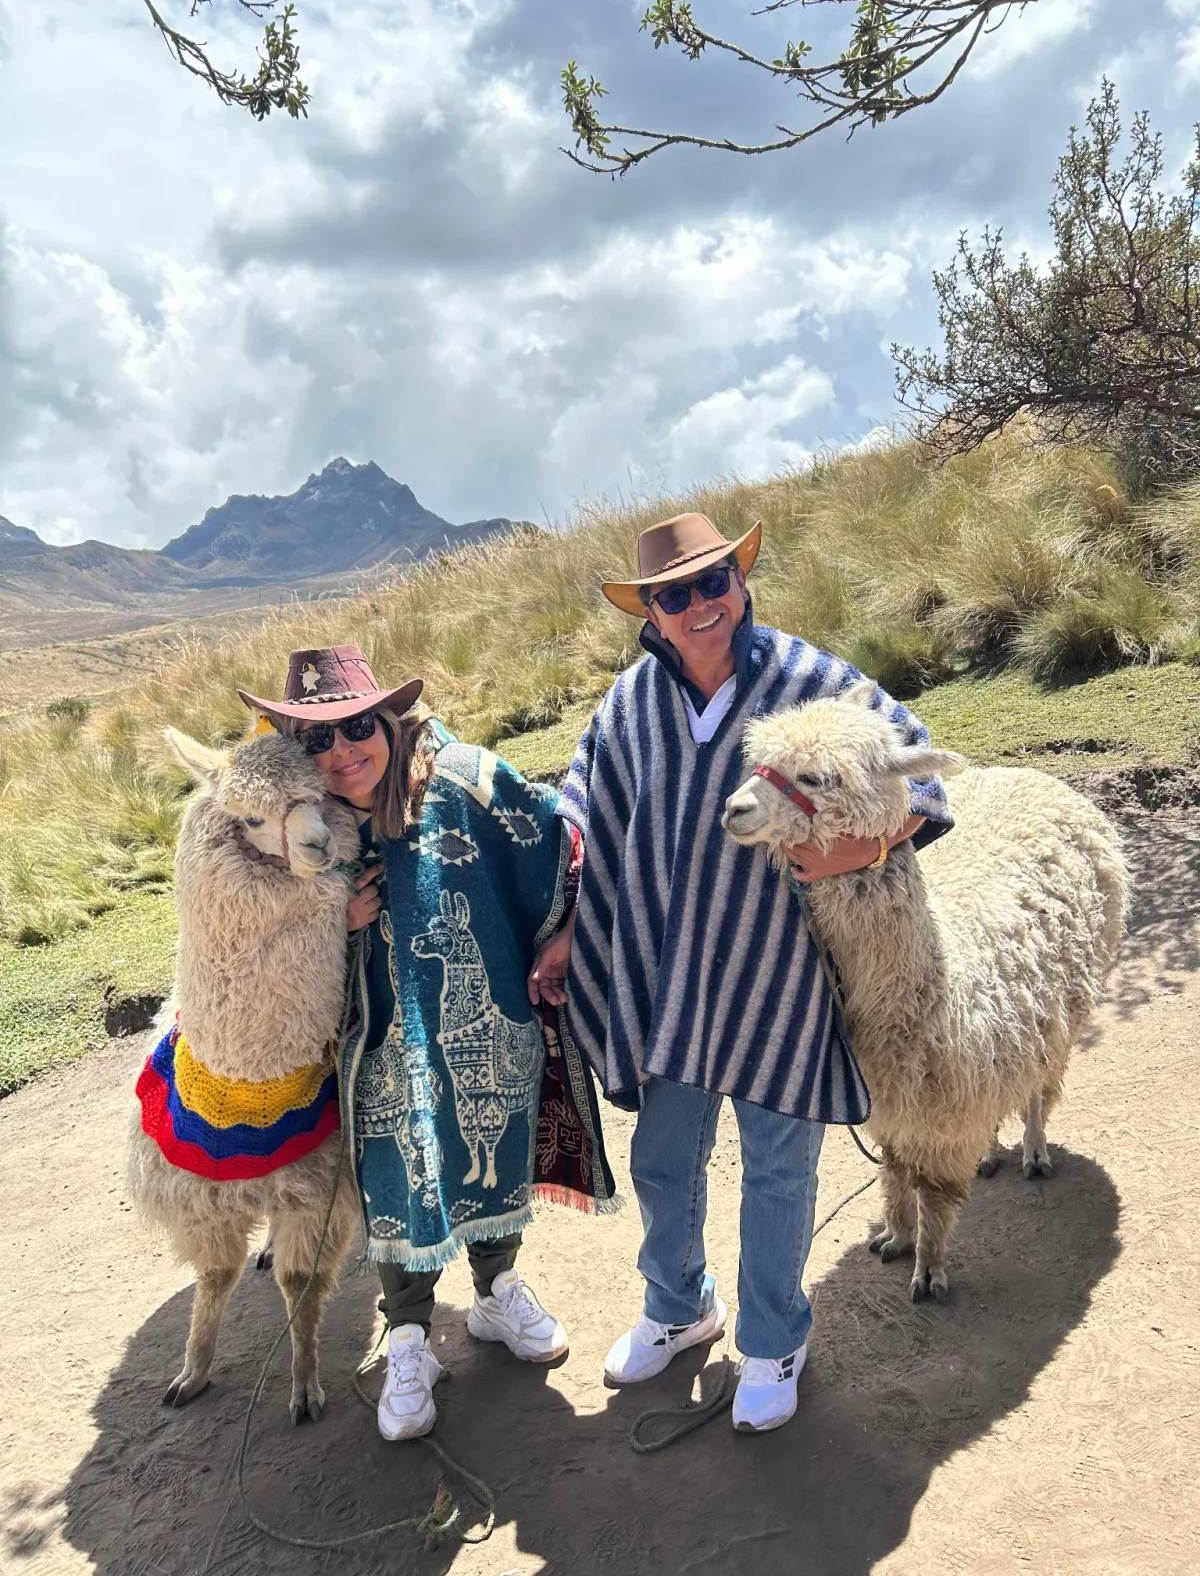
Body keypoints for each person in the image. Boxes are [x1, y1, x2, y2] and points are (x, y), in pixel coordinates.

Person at [553, 513, 954, 1434]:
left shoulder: (814, 683)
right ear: (650, 612)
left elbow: (918, 769)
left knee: (777, 1167)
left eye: (711, 583)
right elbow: (585, 802)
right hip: (671, 974)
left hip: (784, 977)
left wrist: (867, 842)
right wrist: (565, 916)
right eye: (673, 594)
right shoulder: (630, 706)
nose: (698, 606)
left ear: (739, 582)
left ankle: (774, 1338)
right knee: (662, 1161)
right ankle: (678, 1307)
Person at [239, 646, 613, 1442]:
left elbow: (558, 845)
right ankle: (408, 1334)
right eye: (317, 739)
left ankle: (496, 1288)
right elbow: (249, 937)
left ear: (388, 719)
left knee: (493, 1143)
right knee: (396, 1166)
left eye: (355, 727)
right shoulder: (300, 826)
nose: (341, 752)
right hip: (377, 1044)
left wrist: (568, 934)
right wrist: (325, 922)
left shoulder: (469, 781)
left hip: (482, 1023)